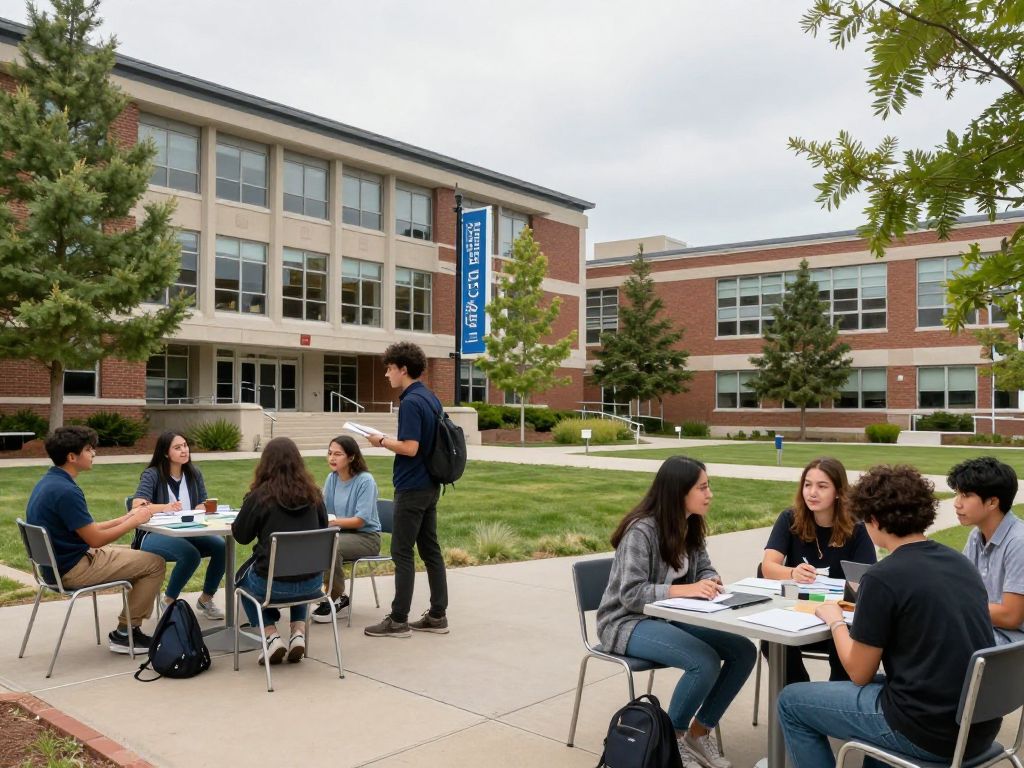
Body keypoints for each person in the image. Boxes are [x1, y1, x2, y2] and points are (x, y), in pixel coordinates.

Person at [778, 465, 1000, 768]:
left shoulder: (883, 577)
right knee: (879, 689)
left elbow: (859, 673)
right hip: (978, 724)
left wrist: (835, 620)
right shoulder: (960, 562)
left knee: (791, 701)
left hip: (928, 732)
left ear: (874, 519)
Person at [596, 456, 756, 768]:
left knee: (743, 651)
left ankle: (698, 735)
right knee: (704, 661)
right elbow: (630, 593)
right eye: (703, 487)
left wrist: (709, 579)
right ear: (678, 491)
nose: (710, 494)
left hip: (670, 616)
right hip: (626, 622)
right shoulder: (641, 531)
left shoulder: (690, 524)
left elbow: (704, 567)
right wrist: (685, 589)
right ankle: (670, 744)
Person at [25, 426, 165, 654]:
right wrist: (135, 520)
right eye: (89, 449)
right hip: (72, 569)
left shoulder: (49, 483)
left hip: (56, 566)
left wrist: (125, 517)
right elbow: (96, 540)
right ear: (72, 457)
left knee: (137, 551)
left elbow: (86, 529)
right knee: (154, 563)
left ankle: (128, 627)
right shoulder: (67, 491)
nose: (94, 454)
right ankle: (125, 634)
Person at [760, 457, 876, 683]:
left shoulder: (857, 527)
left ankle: (832, 705)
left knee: (847, 642)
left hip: (839, 619)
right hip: (798, 612)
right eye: (807, 484)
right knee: (771, 641)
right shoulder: (789, 518)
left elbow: (866, 578)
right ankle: (799, 697)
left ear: (839, 492)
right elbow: (768, 566)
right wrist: (793, 573)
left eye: (822, 486)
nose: (812, 492)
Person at [363, 341, 449, 638]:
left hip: (412, 486)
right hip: (430, 484)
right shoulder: (430, 398)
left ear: (402, 368)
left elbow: (411, 448)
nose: (387, 374)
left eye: (389, 368)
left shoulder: (411, 402)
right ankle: (438, 614)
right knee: (430, 550)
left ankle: (398, 619)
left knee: (401, 552)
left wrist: (381, 441)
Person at [231, 437, 329, 666]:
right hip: (312, 584)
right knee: (299, 565)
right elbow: (323, 529)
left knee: (242, 584)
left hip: (271, 585)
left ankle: (271, 635)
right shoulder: (315, 495)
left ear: (265, 464)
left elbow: (241, 536)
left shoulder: (260, 497)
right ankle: (298, 633)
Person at [131, 431, 226, 620]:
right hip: (152, 535)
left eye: (185, 445)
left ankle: (206, 599)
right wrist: (164, 507)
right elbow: (137, 505)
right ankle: (169, 601)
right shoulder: (152, 474)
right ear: (166, 453)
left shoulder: (193, 473)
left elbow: (201, 503)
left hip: (186, 531)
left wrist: (201, 508)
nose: (184, 450)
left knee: (221, 546)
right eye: (177, 447)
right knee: (190, 554)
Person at [951, 456, 1024, 645]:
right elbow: (960, 588)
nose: (957, 503)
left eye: (966, 496)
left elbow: (1010, 616)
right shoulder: (976, 537)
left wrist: (952, 605)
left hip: (1012, 644)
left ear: (992, 503)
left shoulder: (1019, 542)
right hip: (986, 630)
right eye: (957, 494)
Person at [312, 435, 382, 622]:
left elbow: (361, 520)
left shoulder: (365, 481)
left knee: (330, 545)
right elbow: (325, 510)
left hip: (367, 538)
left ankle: (333, 597)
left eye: (338, 454)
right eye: (329, 453)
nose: (332, 458)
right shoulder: (332, 478)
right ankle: (314, 592)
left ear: (351, 457)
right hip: (339, 534)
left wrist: (333, 523)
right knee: (313, 542)